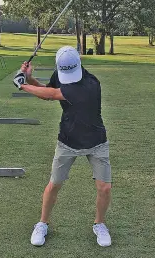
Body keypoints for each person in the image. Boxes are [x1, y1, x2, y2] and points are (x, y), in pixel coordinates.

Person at [13, 46, 112, 247]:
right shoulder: (61, 74)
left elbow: (52, 94)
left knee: (105, 187)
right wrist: (30, 79)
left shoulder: (91, 84)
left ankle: (99, 224)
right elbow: (46, 92)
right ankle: (42, 223)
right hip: (68, 140)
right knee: (54, 185)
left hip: (96, 142)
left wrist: (22, 85)